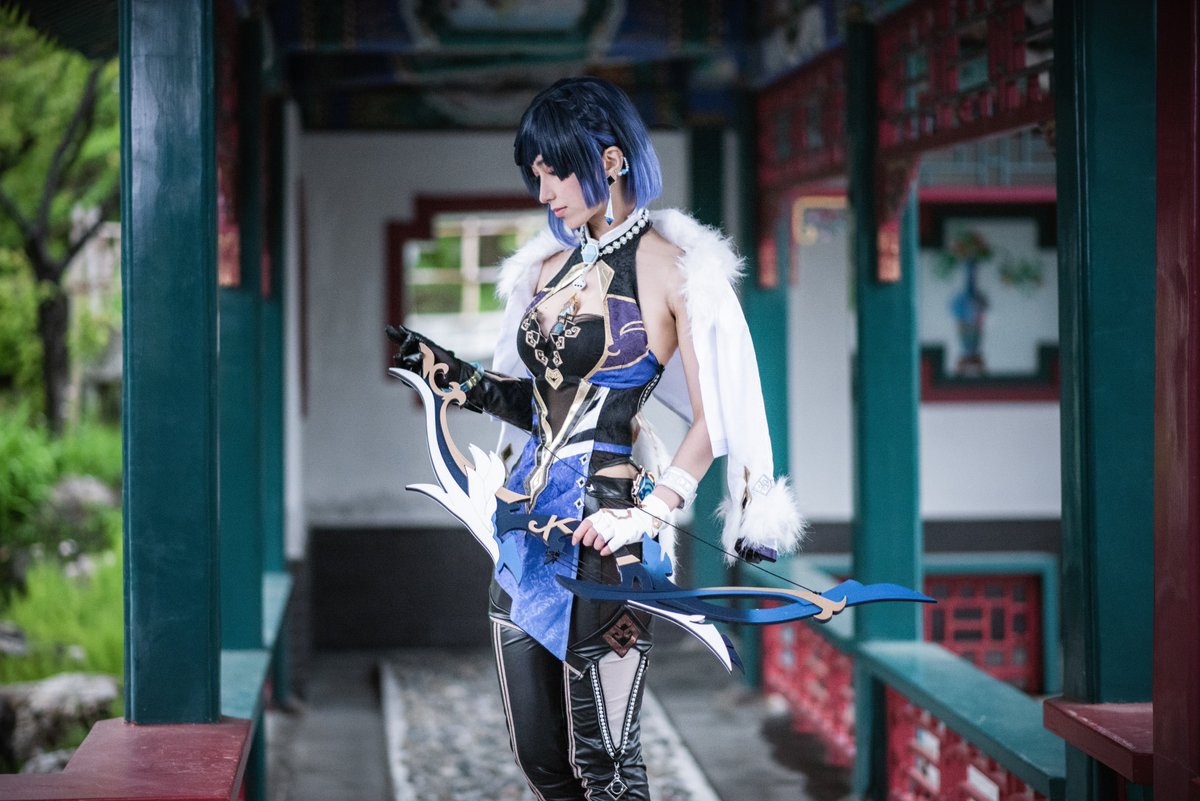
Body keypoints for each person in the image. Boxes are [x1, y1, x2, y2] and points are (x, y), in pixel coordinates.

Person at [387, 76, 803, 801]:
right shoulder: (545, 272)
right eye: (536, 173)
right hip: (523, 536)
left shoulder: (674, 271)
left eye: (556, 170)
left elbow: (715, 417)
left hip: (610, 541)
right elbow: (534, 403)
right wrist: (446, 372)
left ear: (610, 161)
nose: (544, 191)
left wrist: (649, 513)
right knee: (541, 760)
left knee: (608, 764)